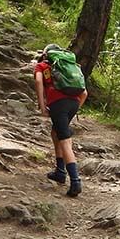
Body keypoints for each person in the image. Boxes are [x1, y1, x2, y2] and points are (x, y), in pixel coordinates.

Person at [34, 44, 87, 197]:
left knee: (65, 140)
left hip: (58, 103)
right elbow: (84, 92)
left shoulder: (42, 65)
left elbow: (38, 82)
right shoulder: (70, 66)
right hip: (74, 102)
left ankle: (75, 181)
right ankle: (60, 172)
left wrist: (43, 106)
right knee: (55, 133)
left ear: (46, 54)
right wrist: (75, 108)